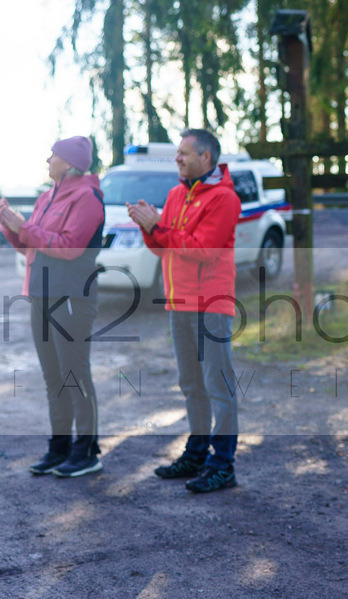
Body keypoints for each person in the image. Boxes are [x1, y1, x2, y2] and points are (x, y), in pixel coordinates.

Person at [127, 128, 242, 494]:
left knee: (217, 385)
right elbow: (165, 247)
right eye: (177, 153)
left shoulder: (224, 199)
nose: (177, 158)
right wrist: (150, 229)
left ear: (205, 157)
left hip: (210, 304)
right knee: (191, 384)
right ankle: (196, 453)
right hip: (179, 302)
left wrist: (156, 226)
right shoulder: (176, 194)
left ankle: (223, 464)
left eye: (184, 153)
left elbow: (201, 250)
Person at [0, 136, 105, 478]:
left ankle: (87, 451)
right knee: (53, 376)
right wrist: (9, 225)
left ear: (71, 162)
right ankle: (59, 448)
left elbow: (70, 247)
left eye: (53, 155)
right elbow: (31, 244)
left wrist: (24, 226)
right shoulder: (47, 196)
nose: (47, 160)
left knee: (74, 374)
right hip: (42, 294)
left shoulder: (87, 198)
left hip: (71, 297)